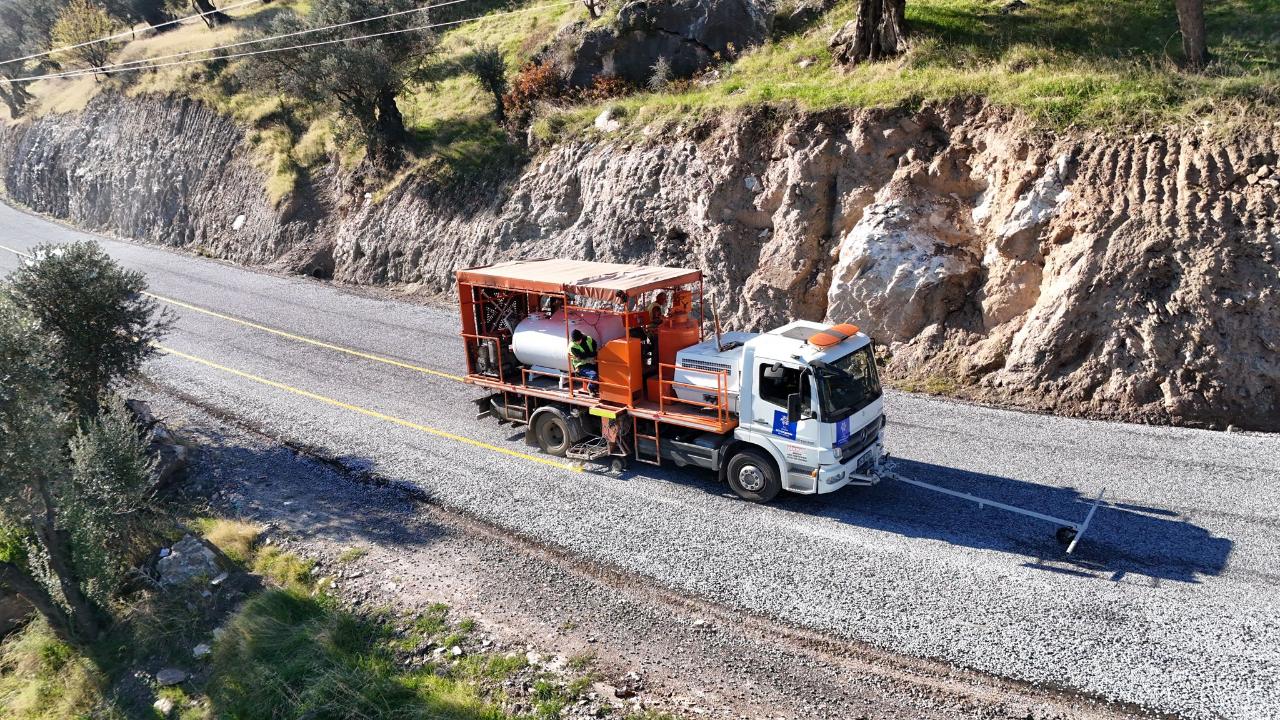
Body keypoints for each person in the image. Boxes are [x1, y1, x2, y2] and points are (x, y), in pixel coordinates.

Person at [569, 329, 599, 394]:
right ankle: (590, 388)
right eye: (575, 341)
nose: (577, 342)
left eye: (578, 340)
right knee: (594, 375)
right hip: (581, 367)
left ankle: (596, 387)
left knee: (603, 372)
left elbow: (595, 345)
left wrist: (591, 354)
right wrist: (592, 353)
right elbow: (582, 356)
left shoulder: (588, 339)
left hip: (592, 363)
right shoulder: (572, 346)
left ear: (581, 337)